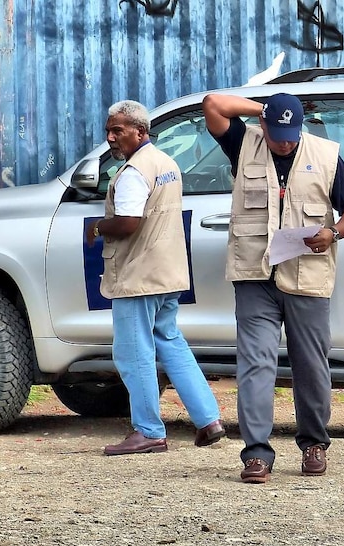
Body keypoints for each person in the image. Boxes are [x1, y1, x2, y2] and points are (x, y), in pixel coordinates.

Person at [202, 92, 344, 483]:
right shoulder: (243, 143)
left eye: (291, 133)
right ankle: (256, 454)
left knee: (311, 364)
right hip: (254, 276)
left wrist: (333, 233)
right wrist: (262, 110)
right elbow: (213, 103)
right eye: (278, 132)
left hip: (306, 276)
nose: (285, 141)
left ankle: (314, 444)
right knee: (256, 363)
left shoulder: (325, 155)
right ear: (264, 125)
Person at [85, 100, 225, 456]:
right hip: (168, 272)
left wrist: (98, 227)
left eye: (118, 131)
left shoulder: (134, 171)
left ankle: (148, 431)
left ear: (140, 132)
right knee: (171, 342)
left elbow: (130, 222)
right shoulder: (167, 164)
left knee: (133, 353)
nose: (111, 138)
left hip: (138, 275)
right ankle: (208, 420)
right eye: (109, 131)